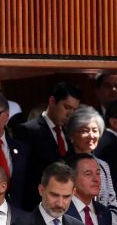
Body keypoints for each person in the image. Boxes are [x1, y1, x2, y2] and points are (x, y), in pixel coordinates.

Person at [15, 82, 83, 210]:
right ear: (52, 101)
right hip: (36, 207)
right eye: (67, 107)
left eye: (74, 110)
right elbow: (22, 177)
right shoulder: (28, 131)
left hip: (66, 207)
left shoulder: (70, 133)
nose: (70, 114)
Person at [66, 105, 117, 222]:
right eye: (85, 131)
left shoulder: (103, 166)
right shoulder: (63, 166)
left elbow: (113, 206)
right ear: (71, 135)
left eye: (95, 130)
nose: (91, 135)